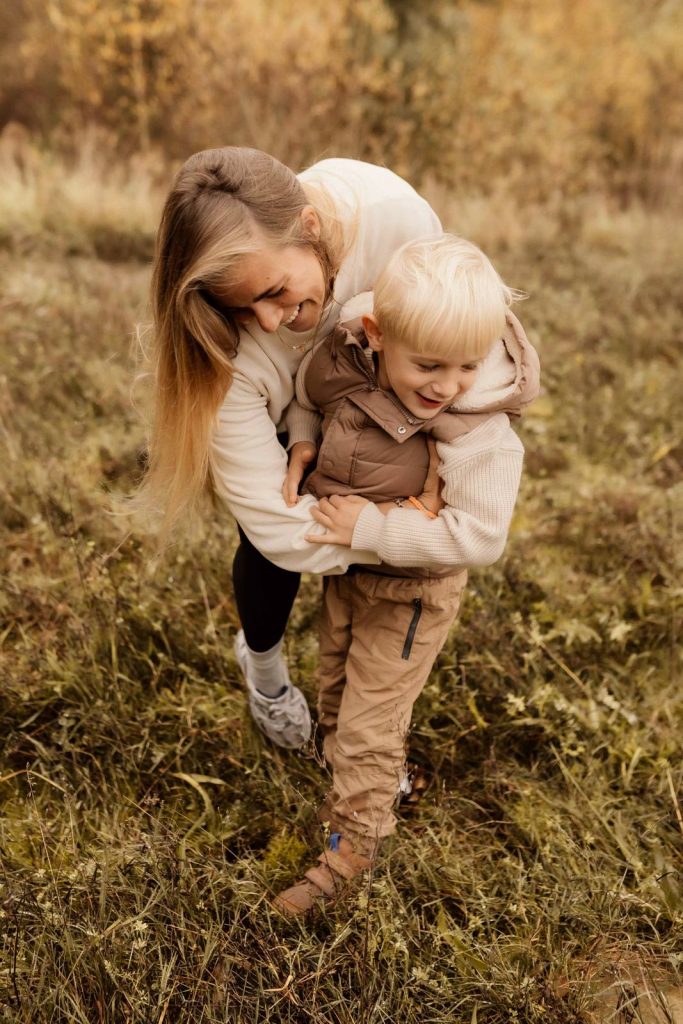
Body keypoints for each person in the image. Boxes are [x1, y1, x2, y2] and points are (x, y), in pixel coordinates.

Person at [135, 147, 446, 749]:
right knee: (267, 555)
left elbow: (456, 328)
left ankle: (369, 701)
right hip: (280, 418)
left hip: (386, 408)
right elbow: (275, 524)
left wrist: (424, 502)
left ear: (310, 227)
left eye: (276, 290)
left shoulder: (393, 217)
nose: (269, 322)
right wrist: (392, 533)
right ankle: (265, 672)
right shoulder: (224, 352)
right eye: (241, 307)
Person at [271, 234, 540, 915]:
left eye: (466, 366)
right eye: (428, 365)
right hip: (349, 575)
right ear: (377, 335)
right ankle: (368, 788)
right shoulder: (352, 350)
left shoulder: (480, 432)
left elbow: (479, 536)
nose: (446, 387)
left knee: (368, 724)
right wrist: (303, 436)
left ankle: (350, 854)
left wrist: (370, 528)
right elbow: (311, 392)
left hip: (413, 592)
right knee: (335, 695)